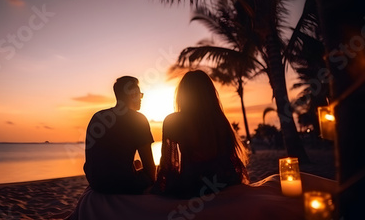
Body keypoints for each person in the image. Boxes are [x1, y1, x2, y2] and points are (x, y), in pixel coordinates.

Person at [153, 70, 249, 198]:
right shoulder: (219, 120)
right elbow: (230, 159)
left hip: (193, 184)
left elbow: (169, 164)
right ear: (210, 93)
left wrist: (160, 187)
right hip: (223, 181)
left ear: (183, 94)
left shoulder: (173, 121)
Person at [83, 76, 156, 194]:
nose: (141, 98)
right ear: (133, 95)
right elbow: (150, 168)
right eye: (140, 94)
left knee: (135, 165)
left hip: (96, 183)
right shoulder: (138, 119)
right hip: (122, 185)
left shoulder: (98, 116)